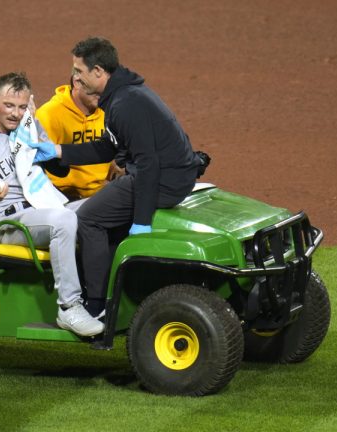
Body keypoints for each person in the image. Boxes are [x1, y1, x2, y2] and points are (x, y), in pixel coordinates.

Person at [29, 37, 207, 318]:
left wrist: (141, 221)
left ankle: (96, 305)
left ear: (98, 72)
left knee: (88, 218)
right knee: (106, 219)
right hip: (169, 176)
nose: (75, 77)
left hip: (163, 181)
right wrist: (58, 150)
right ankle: (112, 294)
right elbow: (106, 148)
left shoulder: (125, 104)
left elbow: (148, 164)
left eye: (79, 71)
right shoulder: (123, 94)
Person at [0, 72, 104, 337]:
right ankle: (69, 307)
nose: (15, 113)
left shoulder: (28, 128)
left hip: (42, 209)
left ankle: (102, 296)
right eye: (9, 105)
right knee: (65, 221)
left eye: (22, 107)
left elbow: (59, 169)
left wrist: (38, 135)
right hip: (8, 224)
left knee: (102, 206)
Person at [35, 75, 123, 200]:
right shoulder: (49, 114)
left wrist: (117, 173)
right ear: (77, 82)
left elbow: (112, 160)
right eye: (96, 87)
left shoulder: (109, 112)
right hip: (60, 196)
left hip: (99, 194)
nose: (102, 92)